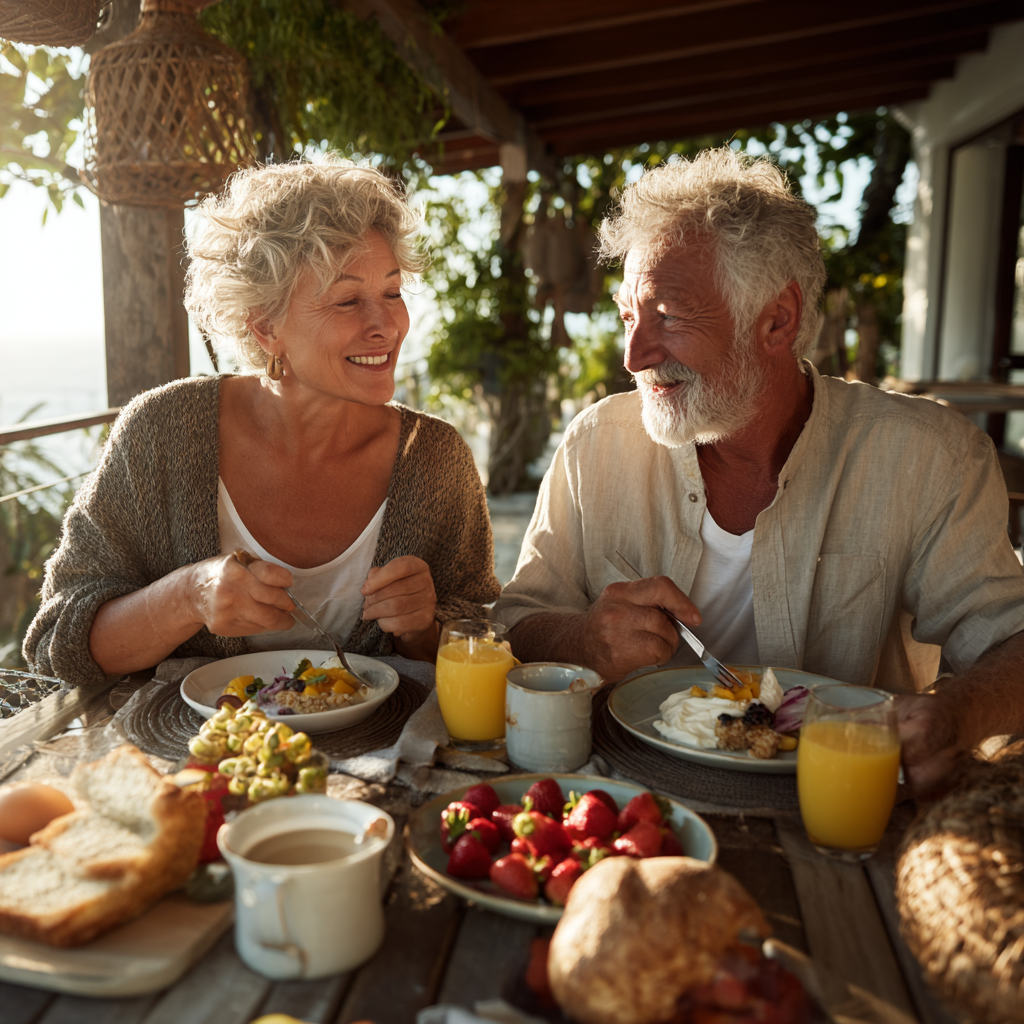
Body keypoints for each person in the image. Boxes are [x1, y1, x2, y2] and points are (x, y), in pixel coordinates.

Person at [493, 147, 1024, 797]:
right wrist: (581, 639)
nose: (634, 355)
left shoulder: (926, 456)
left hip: (841, 811)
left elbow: (1012, 641)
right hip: (623, 796)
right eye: (629, 314)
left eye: (669, 314)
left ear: (777, 318)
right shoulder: (595, 445)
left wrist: (957, 715)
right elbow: (517, 622)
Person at [26, 157, 500, 687]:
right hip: (186, 764)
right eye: (347, 300)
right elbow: (56, 645)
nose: (386, 325)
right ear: (266, 328)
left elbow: (483, 640)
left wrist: (423, 630)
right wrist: (188, 596)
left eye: (392, 292)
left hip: (387, 764)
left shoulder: (435, 459)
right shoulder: (162, 431)